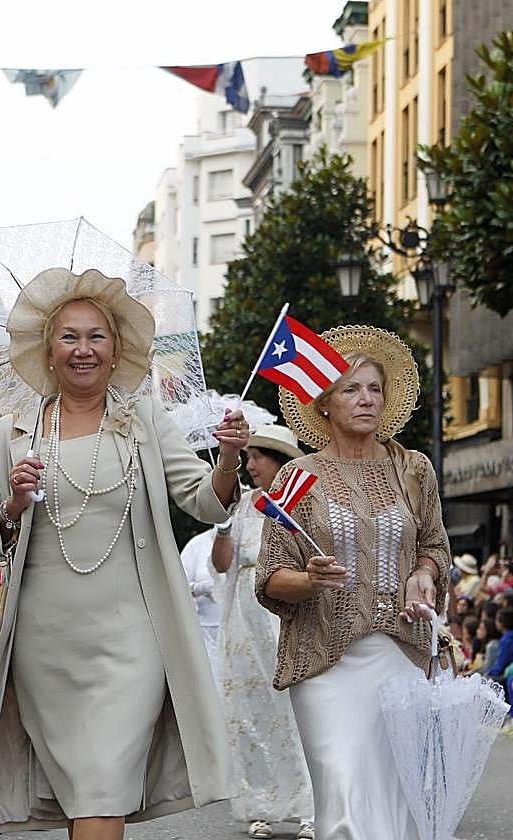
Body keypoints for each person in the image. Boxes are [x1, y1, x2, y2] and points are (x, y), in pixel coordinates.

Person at [0, 267, 245, 840]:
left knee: (102, 779)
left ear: (117, 351)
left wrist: (229, 461)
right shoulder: (6, 436)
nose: (83, 349)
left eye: (97, 336)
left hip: (132, 636)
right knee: (85, 793)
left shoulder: (145, 421)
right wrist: (13, 502)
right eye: (69, 336)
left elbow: (205, 503)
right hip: (44, 641)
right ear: (48, 351)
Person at [256, 325, 450, 840]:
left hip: (401, 653)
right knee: (342, 793)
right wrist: (310, 580)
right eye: (351, 389)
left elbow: (434, 546)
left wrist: (423, 577)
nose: (366, 400)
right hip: (324, 659)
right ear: (324, 403)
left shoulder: (414, 469)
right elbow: (271, 577)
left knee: (400, 800)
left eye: (375, 389)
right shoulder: (297, 476)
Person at [211, 424, 314, 840]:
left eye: (257, 457)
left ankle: (310, 807)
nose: (249, 465)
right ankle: (259, 806)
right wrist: (221, 524)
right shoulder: (245, 504)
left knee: (299, 712)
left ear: (280, 461)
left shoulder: (305, 500)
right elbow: (221, 565)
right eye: (248, 457)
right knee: (251, 713)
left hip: (289, 614)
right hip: (245, 619)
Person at [180, 526, 225, 690]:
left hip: (240, 627)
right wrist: (200, 588)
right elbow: (177, 584)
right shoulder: (197, 545)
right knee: (212, 686)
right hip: (207, 633)